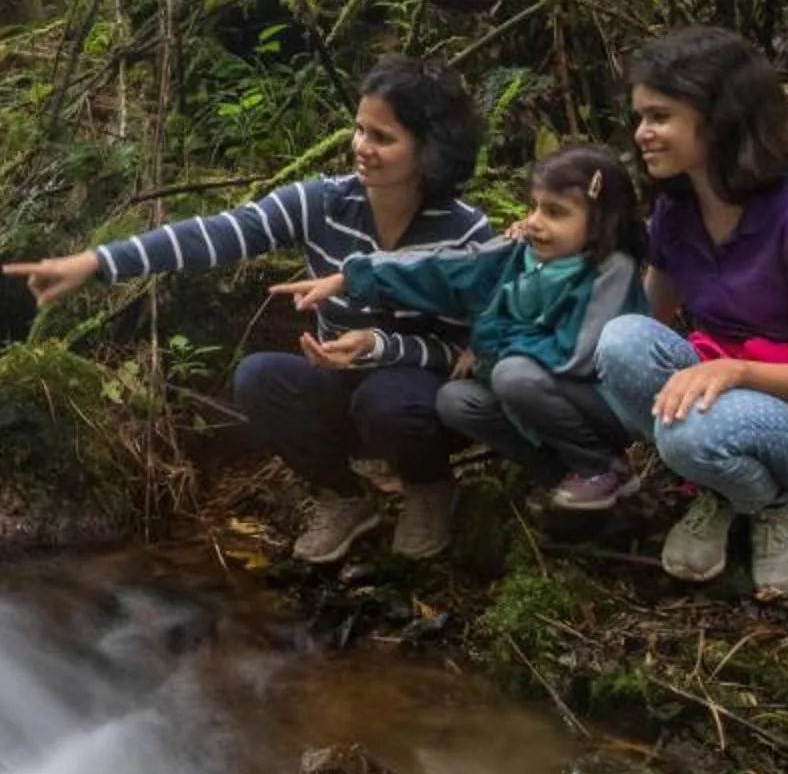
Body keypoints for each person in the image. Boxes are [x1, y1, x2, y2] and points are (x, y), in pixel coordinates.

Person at [1, 58, 491, 561]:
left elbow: (466, 350)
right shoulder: (323, 202)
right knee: (260, 378)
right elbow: (216, 233)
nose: (361, 148)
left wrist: (379, 345)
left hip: (419, 401)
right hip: (341, 383)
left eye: (382, 138)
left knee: (388, 397)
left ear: (429, 150)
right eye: (359, 129)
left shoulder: (463, 233)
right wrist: (95, 262)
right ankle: (345, 498)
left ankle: (430, 489)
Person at [595, 27, 788, 600]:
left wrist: (736, 371)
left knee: (693, 430)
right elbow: (644, 327)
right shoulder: (677, 215)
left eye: (659, 116)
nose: (641, 134)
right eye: (639, 117)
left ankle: (782, 506)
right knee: (619, 342)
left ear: (717, 116)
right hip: (726, 407)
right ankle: (727, 488)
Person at [270, 146, 648, 512]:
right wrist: (352, 279)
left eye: (554, 212)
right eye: (534, 207)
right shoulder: (521, 253)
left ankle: (602, 468)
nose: (534, 221)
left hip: (600, 401)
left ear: (602, 223)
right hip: (536, 388)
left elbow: (575, 356)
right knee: (457, 401)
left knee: (511, 375)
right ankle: (555, 476)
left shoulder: (611, 271)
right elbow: (448, 271)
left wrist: (488, 346)